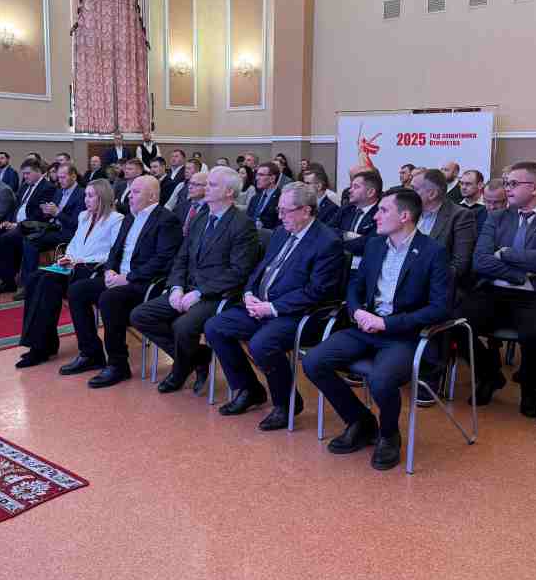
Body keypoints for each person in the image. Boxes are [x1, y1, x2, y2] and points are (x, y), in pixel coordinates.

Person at [303, 188, 450, 471]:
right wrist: (356, 310)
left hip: (403, 335)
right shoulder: (375, 245)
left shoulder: (433, 252)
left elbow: (439, 308)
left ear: (404, 216)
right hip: (365, 327)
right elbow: (355, 286)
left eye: (383, 210)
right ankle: (360, 421)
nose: (376, 216)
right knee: (313, 362)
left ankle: (389, 435)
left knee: (380, 380)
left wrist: (387, 323)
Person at [205, 182, 344, 429]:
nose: (280, 216)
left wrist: (272, 307)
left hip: (298, 314)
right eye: (279, 210)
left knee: (262, 344)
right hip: (262, 306)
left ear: (306, 210)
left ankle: (286, 404)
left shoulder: (327, 242)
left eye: (285, 211)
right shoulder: (281, 232)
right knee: (215, 327)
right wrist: (249, 293)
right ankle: (249, 389)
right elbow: (260, 269)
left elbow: (317, 292)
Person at [455, 162, 536, 416]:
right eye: (506, 183)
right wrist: (520, 273)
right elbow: (480, 261)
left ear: (535, 188)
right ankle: (489, 374)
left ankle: (530, 388)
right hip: (496, 290)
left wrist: (506, 253)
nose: (506, 188)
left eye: (513, 184)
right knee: (454, 323)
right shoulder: (498, 217)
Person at [131, 166, 259, 394]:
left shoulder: (242, 224)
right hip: (187, 288)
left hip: (216, 295)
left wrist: (200, 293)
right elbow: (182, 257)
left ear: (229, 192)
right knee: (141, 315)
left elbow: (238, 272)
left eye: (212, 185)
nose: (205, 188)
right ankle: (197, 357)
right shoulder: (201, 217)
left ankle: (179, 371)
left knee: (183, 326)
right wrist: (176, 287)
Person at [63, 175, 183, 387]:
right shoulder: (129, 218)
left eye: (136, 192)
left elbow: (163, 260)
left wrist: (127, 278)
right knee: (77, 290)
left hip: (144, 282)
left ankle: (118, 364)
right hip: (119, 277)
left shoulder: (166, 220)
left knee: (109, 299)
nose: (129, 196)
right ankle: (90, 353)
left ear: (152, 196)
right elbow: (115, 250)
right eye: (130, 191)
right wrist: (109, 270)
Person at [15, 179, 124, 368]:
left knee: (48, 282)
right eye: (85, 195)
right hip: (72, 265)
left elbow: (114, 253)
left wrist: (79, 260)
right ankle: (42, 343)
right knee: (34, 278)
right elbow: (74, 243)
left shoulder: (116, 219)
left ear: (103, 197)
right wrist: (67, 257)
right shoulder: (84, 216)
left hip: (92, 268)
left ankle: (41, 348)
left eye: (91, 196)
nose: (86, 200)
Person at [9, 165, 86, 300]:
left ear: (73, 176)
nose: (60, 180)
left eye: (63, 177)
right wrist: (46, 211)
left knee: (31, 243)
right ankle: (29, 283)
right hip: (53, 228)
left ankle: (30, 286)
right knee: (26, 237)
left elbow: (76, 223)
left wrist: (57, 213)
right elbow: (51, 214)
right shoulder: (59, 192)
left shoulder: (82, 194)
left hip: (69, 233)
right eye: (59, 177)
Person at [0, 159, 56, 295]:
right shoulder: (25, 186)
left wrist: (17, 225)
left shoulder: (47, 188)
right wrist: (9, 222)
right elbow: (16, 208)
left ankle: (16, 282)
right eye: (23, 174)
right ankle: (7, 279)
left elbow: (41, 215)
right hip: (17, 224)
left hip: (33, 226)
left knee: (7, 239)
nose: (25, 176)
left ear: (38, 172)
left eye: (27, 173)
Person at [412, 169, 476, 300]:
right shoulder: (410, 212)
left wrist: (419, 277)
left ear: (432, 194)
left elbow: (460, 265)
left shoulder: (460, 216)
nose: (408, 194)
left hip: (437, 290)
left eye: (414, 189)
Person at [333, 169, 382, 265]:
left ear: (370, 192)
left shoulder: (381, 212)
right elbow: (327, 230)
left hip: (363, 266)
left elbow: (368, 244)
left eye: (356, 187)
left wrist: (337, 243)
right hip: (338, 263)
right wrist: (347, 235)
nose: (350, 190)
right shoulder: (346, 208)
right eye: (351, 186)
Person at [247, 162, 282, 230]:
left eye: (261, 175)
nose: (257, 178)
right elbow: (247, 218)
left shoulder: (281, 198)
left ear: (272, 178)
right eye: (257, 175)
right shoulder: (255, 198)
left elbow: (280, 226)